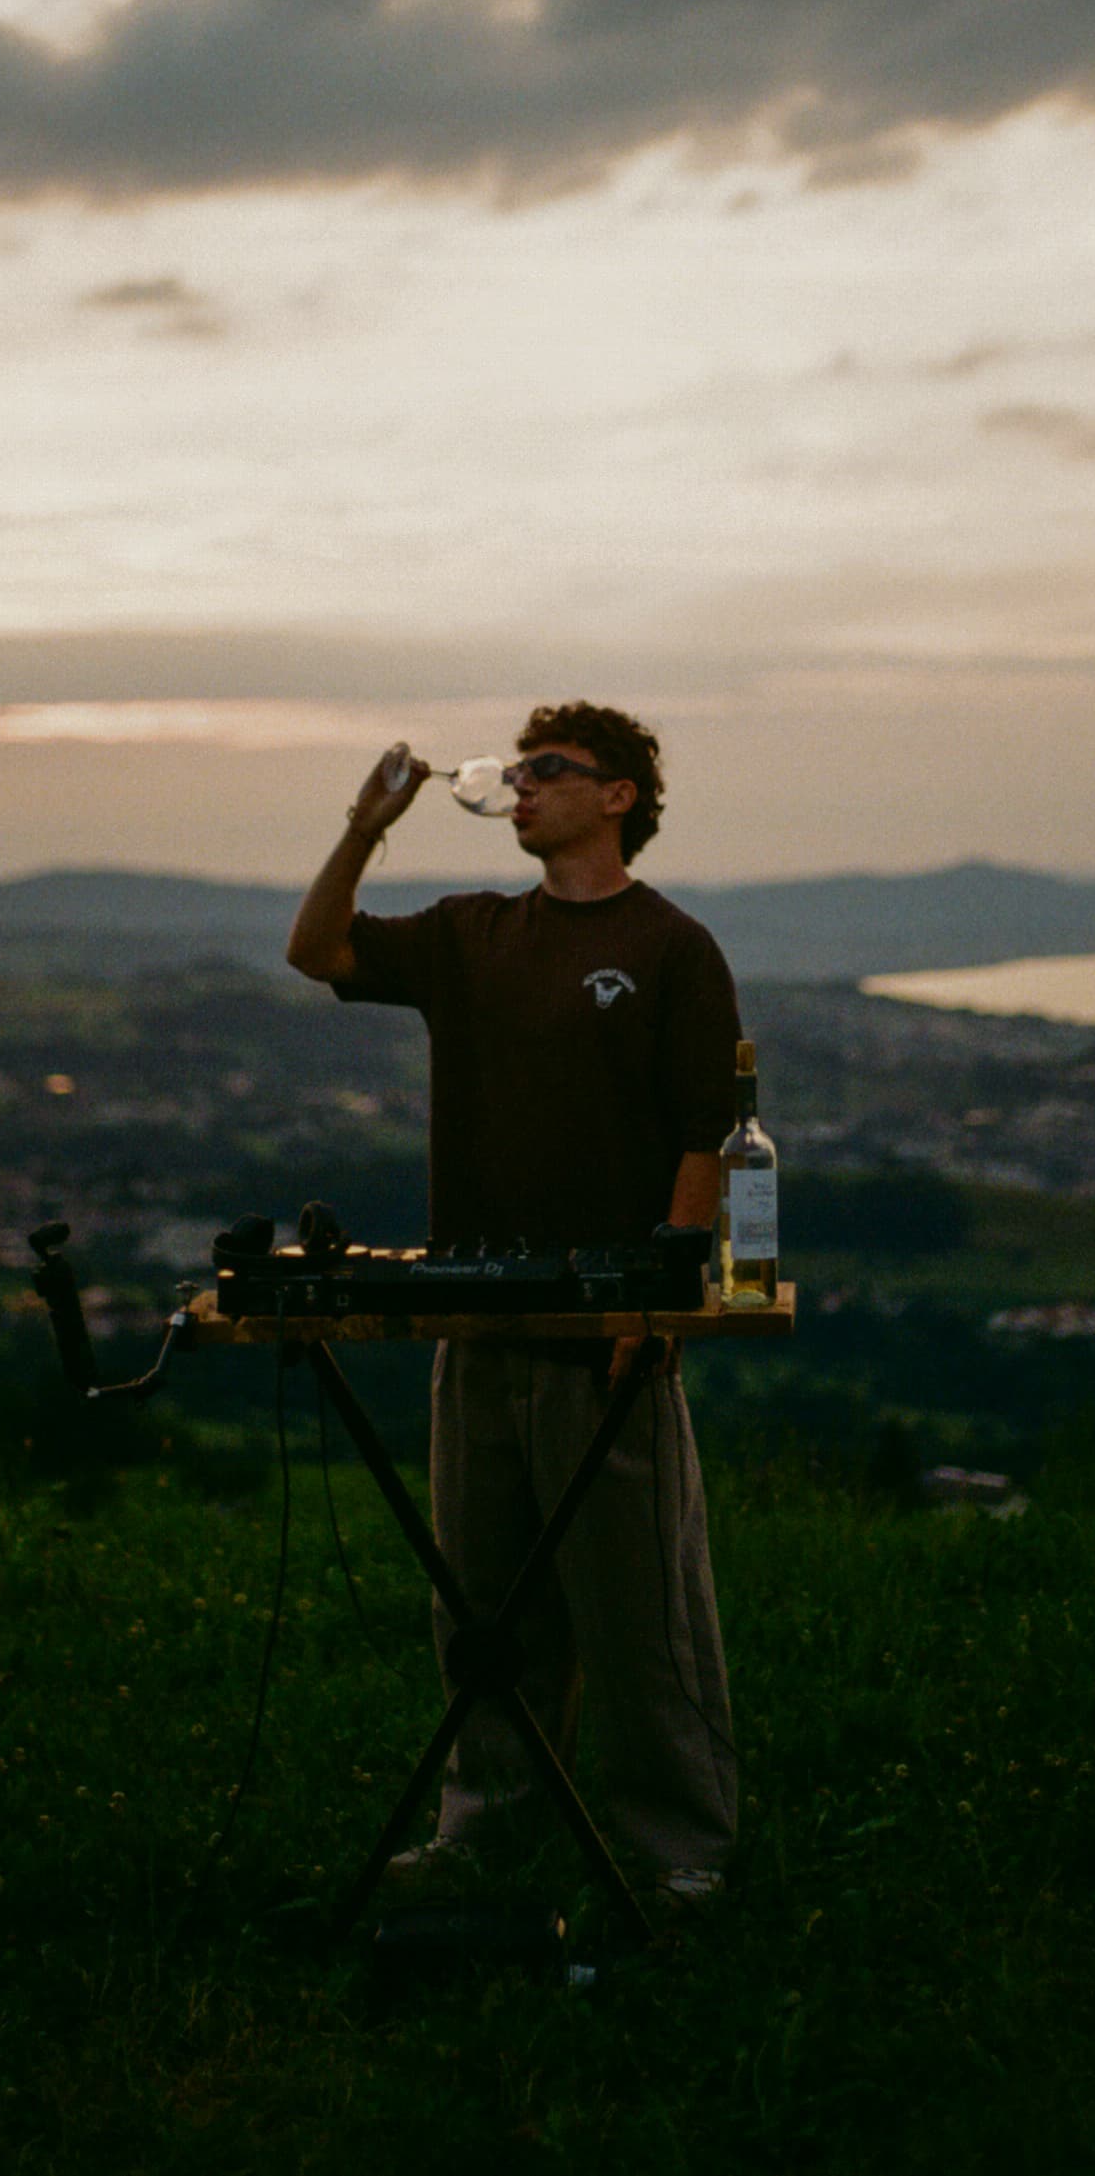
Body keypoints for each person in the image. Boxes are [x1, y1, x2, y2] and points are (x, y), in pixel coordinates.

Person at [286, 699, 741, 1904]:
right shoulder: (469, 931)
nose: (522, 785)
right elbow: (314, 950)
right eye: (521, 766)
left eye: (553, 769)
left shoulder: (669, 946)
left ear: (618, 797)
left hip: (604, 1335)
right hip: (475, 1328)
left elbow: (705, 1136)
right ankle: (490, 1830)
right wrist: (360, 826)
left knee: (642, 1615)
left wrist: (654, 1294)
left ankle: (679, 1853)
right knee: (481, 1611)